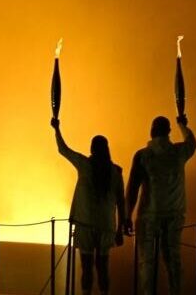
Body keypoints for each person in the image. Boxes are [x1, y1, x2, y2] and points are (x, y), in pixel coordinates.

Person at [51, 117, 129, 295]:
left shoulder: (85, 165)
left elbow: (63, 149)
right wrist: (120, 229)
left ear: (92, 149)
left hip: (85, 224)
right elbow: (120, 201)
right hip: (106, 226)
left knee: (86, 267)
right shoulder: (115, 172)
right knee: (102, 268)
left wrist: (56, 129)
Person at [125, 115, 196, 295]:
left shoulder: (143, 155)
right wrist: (182, 124)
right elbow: (192, 141)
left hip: (149, 216)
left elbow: (132, 188)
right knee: (173, 261)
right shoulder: (179, 152)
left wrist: (126, 216)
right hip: (175, 215)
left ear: (152, 131)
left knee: (147, 263)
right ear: (169, 132)